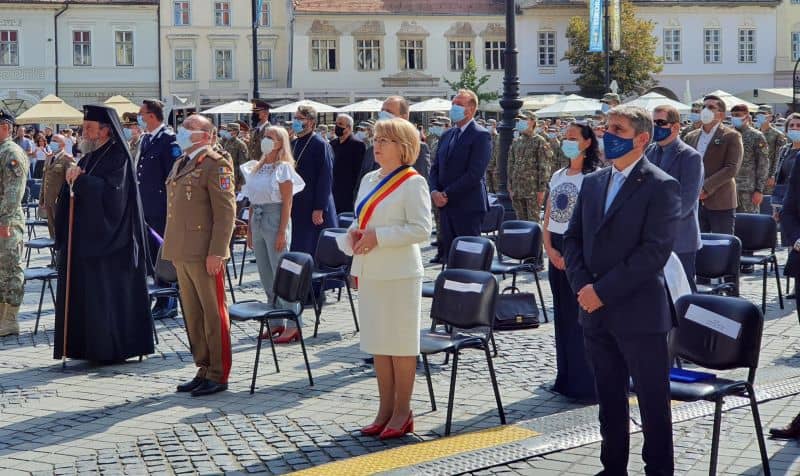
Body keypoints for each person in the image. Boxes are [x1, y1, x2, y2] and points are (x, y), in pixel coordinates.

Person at [563, 105, 680, 476]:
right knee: (609, 398)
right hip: (595, 310)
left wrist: (603, 291)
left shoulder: (661, 184)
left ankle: (658, 470)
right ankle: (612, 467)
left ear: (642, 138)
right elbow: (573, 239)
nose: (607, 134)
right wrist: (583, 287)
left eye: (618, 129)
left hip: (639, 313)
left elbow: (654, 252)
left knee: (652, 402)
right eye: (606, 127)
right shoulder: (595, 182)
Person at [340, 118, 432, 440]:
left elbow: (422, 229)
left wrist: (380, 236)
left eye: (385, 140)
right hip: (371, 269)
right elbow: (361, 219)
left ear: (403, 147)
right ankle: (384, 410)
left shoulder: (412, 182)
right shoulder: (368, 179)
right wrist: (355, 239)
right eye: (376, 138)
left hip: (401, 273)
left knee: (400, 344)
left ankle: (403, 411)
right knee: (379, 342)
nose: (376, 145)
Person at [53, 105, 154, 362]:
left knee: (106, 298)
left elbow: (114, 196)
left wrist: (82, 181)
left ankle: (110, 349)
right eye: (84, 127)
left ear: (105, 131)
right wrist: (71, 179)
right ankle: (85, 347)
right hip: (86, 242)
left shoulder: (119, 157)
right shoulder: (88, 157)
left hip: (111, 244)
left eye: (89, 128)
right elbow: (73, 191)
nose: (84, 133)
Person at [162, 114, 236, 396]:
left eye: (189, 128)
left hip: (205, 252)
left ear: (205, 135)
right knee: (193, 315)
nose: (182, 132)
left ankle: (219, 373)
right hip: (183, 250)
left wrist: (218, 252)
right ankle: (203, 367)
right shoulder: (181, 162)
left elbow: (225, 214)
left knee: (213, 314)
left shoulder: (216, 164)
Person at [543, 121, 600, 401]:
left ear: (587, 142)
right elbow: (548, 216)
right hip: (556, 246)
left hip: (579, 251)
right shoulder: (558, 174)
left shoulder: (595, 177)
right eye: (565, 137)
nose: (567, 142)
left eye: (573, 137)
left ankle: (585, 380)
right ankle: (564, 376)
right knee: (562, 316)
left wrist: (571, 255)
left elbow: (592, 223)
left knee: (581, 319)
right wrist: (549, 250)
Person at [241, 126, 305, 343]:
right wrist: (250, 229)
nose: (266, 140)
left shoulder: (283, 168)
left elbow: (288, 201)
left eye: (272, 138)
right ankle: (276, 320)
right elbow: (251, 199)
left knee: (282, 271)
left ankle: (293, 321)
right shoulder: (257, 167)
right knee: (265, 272)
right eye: (266, 137)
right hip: (258, 218)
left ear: (281, 143)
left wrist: (281, 231)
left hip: (275, 217)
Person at [646, 105, 704, 290]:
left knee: (682, 292)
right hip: (651, 240)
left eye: (661, 123)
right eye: (653, 123)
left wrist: (655, 219)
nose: (656, 127)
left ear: (676, 127)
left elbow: (687, 201)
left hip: (680, 238)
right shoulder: (649, 152)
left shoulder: (690, 156)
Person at [429, 89, 491, 262]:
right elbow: (435, 167)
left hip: (467, 207)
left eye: (459, 104)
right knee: (450, 257)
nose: (453, 108)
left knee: (468, 259)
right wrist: (434, 191)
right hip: (445, 207)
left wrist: (446, 193)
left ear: (470, 109)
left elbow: (474, 174)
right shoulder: (447, 134)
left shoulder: (481, 135)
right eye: (453, 104)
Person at [138, 99, 181, 319]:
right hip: (148, 208)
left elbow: (172, 178)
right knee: (154, 255)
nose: (139, 117)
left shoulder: (168, 140)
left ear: (152, 115)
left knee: (165, 256)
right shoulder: (148, 139)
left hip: (163, 209)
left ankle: (169, 301)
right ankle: (161, 297)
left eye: (141, 114)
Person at [684, 94, 743, 235]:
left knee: (722, 243)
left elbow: (731, 168)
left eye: (711, 107)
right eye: (704, 106)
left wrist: (705, 187)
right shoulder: (690, 136)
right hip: (694, 202)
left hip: (721, 201)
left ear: (721, 114)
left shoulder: (731, 136)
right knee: (696, 244)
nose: (705, 110)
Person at [289, 105, 338, 260]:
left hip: (314, 206)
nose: (295, 121)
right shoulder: (294, 143)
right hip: (297, 204)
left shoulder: (320, 144)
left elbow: (325, 178)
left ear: (310, 122)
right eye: (295, 118)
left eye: (299, 119)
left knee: (312, 247)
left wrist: (319, 207)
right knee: (298, 246)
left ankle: (314, 283)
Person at [357, 96, 431, 189]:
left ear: (404, 117)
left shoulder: (417, 149)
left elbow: (421, 186)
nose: (383, 115)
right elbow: (359, 186)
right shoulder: (371, 149)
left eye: (388, 112)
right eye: (382, 111)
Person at [0, 109, 29, 337]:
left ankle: (10, 319)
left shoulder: (11, 152)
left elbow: (13, 191)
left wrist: (5, 219)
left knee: (10, 268)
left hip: (7, 222)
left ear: (5, 127)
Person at [507, 111, 553, 222]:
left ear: (532, 122)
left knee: (533, 223)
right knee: (521, 223)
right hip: (517, 189)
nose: (520, 122)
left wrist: (541, 190)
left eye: (524, 120)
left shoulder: (539, 141)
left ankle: (538, 240)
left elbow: (544, 167)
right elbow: (511, 164)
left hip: (532, 191)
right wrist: (510, 185)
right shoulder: (516, 141)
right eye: (519, 120)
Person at [730, 104, 769, 214]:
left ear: (746, 116)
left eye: (737, 115)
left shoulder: (756, 136)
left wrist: (759, 190)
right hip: (729, 190)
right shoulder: (728, 135)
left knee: (748, 224)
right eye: (732, 115)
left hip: (748, 191)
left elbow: (763, 164)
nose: (734, 118)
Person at [39, 134, 75, 238]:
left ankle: (60, 252)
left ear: (62, 144)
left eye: (56, 141)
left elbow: (71, 182)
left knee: (61, 228)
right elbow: (44, 180)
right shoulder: (49, 157)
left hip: (59, 200)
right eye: (52, 140)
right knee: (51, 228)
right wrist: (41, 199)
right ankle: (54, 250)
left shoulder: (67, 159)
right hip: (48, 199)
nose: (52, 143)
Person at [330, 113, 365, 213]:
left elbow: (359, 172)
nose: (337, 127)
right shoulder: (332, 144)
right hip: (333, 190)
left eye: (340, 124)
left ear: (349, 127)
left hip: (348, 193)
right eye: (336, 124)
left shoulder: (357, 145)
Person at [756, 105, 786, 195]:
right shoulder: (754, 133)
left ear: (770, 117)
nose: (760, 116)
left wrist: (773, 175)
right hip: (753, 175)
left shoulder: (777, 134)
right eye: (758, 114)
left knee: (766, 203)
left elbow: (779, 157)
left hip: (767, 175)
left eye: (763, 114)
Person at [220, 123, 249, 192]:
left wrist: (241, 182)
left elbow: (243, 163)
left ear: (235, 132)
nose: (226, 132)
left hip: (235, 175)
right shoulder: (225, 142)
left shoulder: (240, 144)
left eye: (229, 130)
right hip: (225, 173)